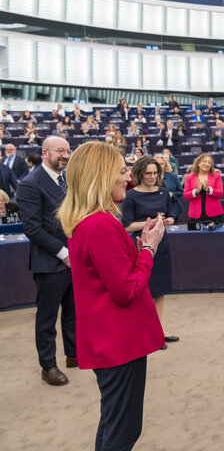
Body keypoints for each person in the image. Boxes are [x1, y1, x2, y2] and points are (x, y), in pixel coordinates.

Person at [58, 140, 165, 450]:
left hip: (109, 342)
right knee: (123, 432)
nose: (126, 178)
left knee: (113, 424)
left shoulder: (88, 222)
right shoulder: (102, 224)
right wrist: (148, 249)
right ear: (101, 177)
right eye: (120, 172)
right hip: (119, 342)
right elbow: (127, 289)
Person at [16, 136, 76, 386]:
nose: (65, 155)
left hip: (74, 258)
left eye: (68, 150)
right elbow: (32, 228)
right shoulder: (30, 184)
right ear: (44, 153)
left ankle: (73, 355)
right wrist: (64, 254)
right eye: (60, 151)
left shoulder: (68, 179)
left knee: (73, 311)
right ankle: (48, 366)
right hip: (50, 261)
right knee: (47, 317)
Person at [121, 156, 178, 346]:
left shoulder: (163, 192)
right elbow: (128, 226)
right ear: (139, 174)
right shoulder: (130, 196)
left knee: (160, 289)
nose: (152, 176)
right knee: (144, 289)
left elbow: (171, 216)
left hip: (162, 244)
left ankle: (159, 329)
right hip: (140, 246)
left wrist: (167, 220)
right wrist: (153, 222)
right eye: (148, 173)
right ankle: (146, 330)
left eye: (155, 173)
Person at [183, 153, 224, 223]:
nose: (207, 164)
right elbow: (186, 195)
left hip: (214, 213)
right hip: (196, 214)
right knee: (196, 234)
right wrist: (197, 190)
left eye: (209, 163)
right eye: (204, 161)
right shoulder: (190, 177)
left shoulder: (216, 176)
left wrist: (208, 189)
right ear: (198, 163)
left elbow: (220, 194)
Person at [155, 154, 183, 220]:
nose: (159, 166)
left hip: (172, 209)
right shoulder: (151, 177)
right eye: (157, 163)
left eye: (161, 164)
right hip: (156, 210)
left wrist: (172, 194)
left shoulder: (173, 176)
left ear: (165, 165)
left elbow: (181, 191)